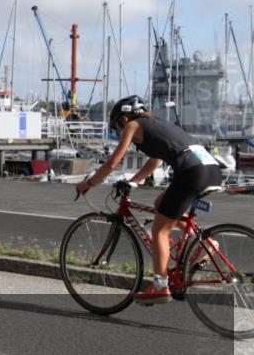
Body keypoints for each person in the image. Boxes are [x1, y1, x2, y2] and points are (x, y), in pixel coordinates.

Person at [75, 96, 223, 304]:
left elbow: (113, 162)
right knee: (160, 205)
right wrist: (134, 181)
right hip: (210, 169)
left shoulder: (133, 126)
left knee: (160, 230)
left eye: (118, 125)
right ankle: (206, 244)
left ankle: (161, 286)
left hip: (191, 172)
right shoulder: (158, 124)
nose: (119, 130)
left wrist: (89, 184)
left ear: (124, 118)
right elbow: (156, 160)